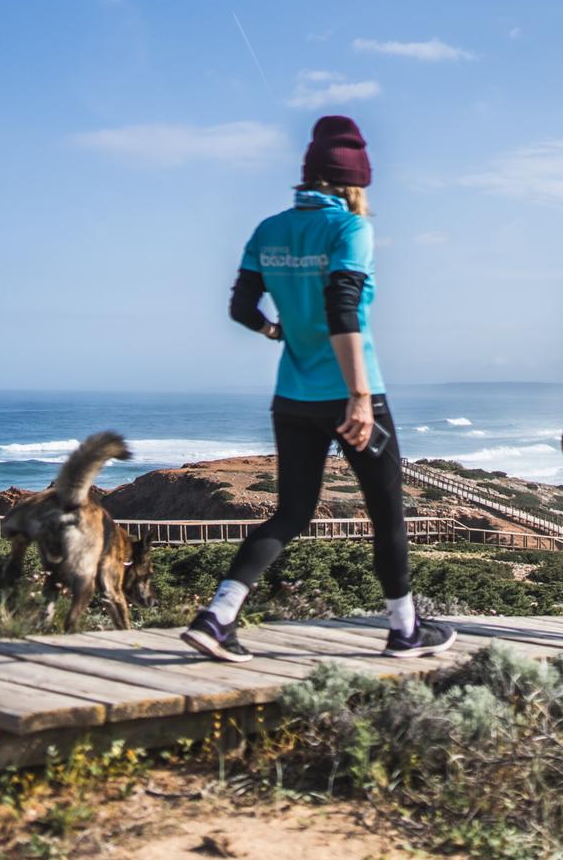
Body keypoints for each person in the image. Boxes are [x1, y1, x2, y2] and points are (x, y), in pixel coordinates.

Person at [181, 116, 455, 663]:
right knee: (387, 515)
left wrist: (277, 331)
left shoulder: (269, 229)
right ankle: (404, 630)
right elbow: (343, 311)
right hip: (354, 393)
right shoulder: (351, 229)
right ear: (354, 183)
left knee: (291, 512)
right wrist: (357, 397)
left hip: (293, 395)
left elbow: (240, 308)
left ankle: (217, 616)